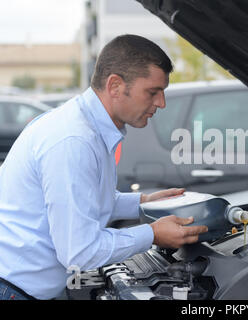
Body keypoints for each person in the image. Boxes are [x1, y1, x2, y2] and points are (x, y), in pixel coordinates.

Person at [0, 34, 208, 300]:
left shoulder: (85, 127)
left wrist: (143, 202)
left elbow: (86, 202)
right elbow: (80, 251)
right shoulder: (74, 141)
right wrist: (152, 234)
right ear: (115, 86)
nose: (161, 103)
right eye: (153, 92)